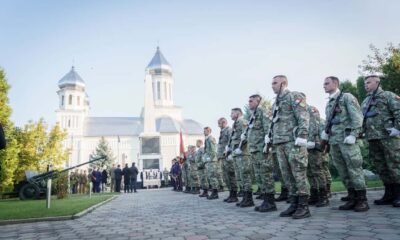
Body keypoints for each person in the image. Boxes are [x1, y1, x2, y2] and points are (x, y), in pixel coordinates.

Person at [322, 76, 369, 212]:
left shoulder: (346, 97)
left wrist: (354, 135)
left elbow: (357, 117)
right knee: (342, 170)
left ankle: (362, 200)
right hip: (335, 141)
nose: (323, 86)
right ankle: (352, 197)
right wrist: (325, 133)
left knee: (354, 168)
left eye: (326, 83)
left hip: (347, 140)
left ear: (335, 83)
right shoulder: (329, 102)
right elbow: (330, 121)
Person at [269, 75, 310, 219]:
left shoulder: (294, 96)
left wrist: (303, 135)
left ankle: (304, 206)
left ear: (284, 83)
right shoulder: (276, 103)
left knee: (298, 173)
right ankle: (294, 203)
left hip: (293, 142)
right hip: (279, 143)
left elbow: (303, 116)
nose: (272, 85)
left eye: (275, 83)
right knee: (287, 175)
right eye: (272, 83)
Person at [361, 75, 400, 207]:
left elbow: (398, 111)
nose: (365, 85)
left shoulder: (388, 95)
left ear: (377, 82)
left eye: (368, 82)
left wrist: (397, 128)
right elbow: (363, 119)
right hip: (373, 138)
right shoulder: (366, 101)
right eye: (365, 83)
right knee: (381, 166)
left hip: (388, 137)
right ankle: (389, 194)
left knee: (394, 164)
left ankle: (398, 194)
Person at [245, 94, 277, 213]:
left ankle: (270, 202)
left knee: (266, 174)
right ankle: (266, 199)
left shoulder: (263, 112)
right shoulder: (253, 115)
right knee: (259, 175)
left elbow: (268, 128)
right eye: (249, 101)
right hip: (254, 150)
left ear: (258, 101)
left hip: (262, 149)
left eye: (251, 101)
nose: (249, 103)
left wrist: (267, 145)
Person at [229, 108, 254, 207]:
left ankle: (249, 199)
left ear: (238, 113)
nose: (230, 115)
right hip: (237, 153)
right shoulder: (235, 123)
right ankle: (245, 197)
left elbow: (246, 136)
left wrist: (241, 148)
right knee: (240, 176)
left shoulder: (242, 122)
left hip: (243, 153)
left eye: (232, 113)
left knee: (245, 175)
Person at [306, 103, 329, 207]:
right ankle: (314, 193)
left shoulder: (311, 109)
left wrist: (311, 140)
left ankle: (323, 196)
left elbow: (314, 124)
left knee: (317, 170)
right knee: (309, 171)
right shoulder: (296, 109)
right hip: (303, 144)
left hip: (313, 144)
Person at [217, 117, 236, 202]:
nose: (218, 125)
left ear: (224, 122)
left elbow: (231, 142)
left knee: (231, 175)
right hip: (223, 157)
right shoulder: (223, 131)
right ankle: (231, 194)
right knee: (226, 176)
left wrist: (230, 153)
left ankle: (234, 195)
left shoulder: (229, 130)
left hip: (228, 156)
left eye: (219, 123)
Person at [203, 127, 219, 200]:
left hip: (212, 161)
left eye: (205, 131)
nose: (204, 132)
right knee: (210, 176)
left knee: (213, 176)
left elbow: (213, 150)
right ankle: (213, 191)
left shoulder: (210, 138)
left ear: (209, 131)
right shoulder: (207, 139)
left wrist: (211, 158)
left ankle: (215, 193)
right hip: (209, 161)